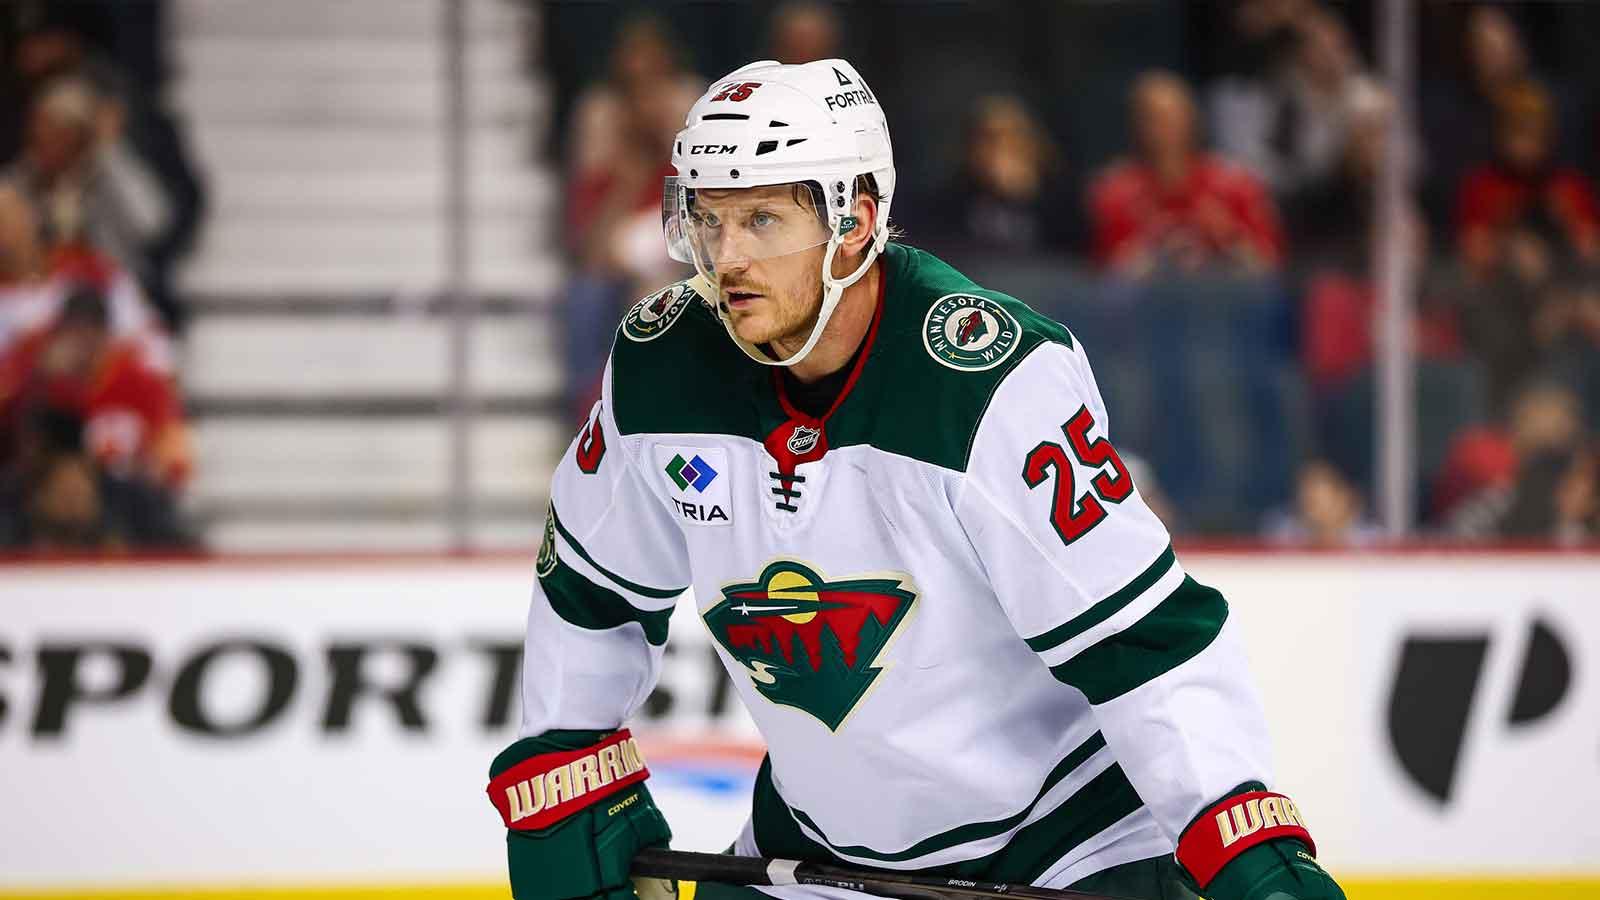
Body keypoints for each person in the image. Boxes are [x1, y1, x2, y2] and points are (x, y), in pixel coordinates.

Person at [487, 59, 1344, 900]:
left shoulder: (986, 385)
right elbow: (591, 592)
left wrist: (1238, 832)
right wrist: (566, 759)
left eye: (762, 222)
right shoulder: (660, 367)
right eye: (709, 221)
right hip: (812, 857)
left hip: (1065, 850)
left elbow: (1142, 638)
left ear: (855, 224)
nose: (726, 257)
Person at [1089, 71, 1285, 277]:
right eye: (1154, 118)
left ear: (1192, 118)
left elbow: (1268, 269)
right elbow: (1105, 280)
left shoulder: (1237, 184)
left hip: (1223, 301)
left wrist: (1228, 236)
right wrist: (1153, 246)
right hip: (1148, 303)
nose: (1166, 127)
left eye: (1174, 116)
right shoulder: (1115, 193)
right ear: (1137, 125)